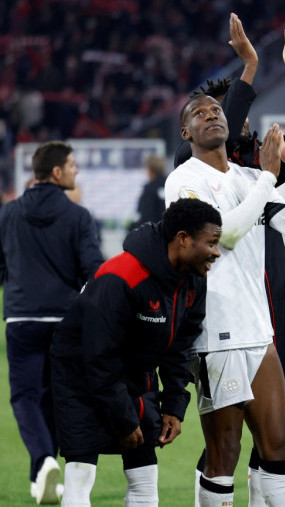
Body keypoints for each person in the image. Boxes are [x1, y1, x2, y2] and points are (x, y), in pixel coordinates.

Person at [173, 11, 285, 505]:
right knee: (226, 453)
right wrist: (267, 176)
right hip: (216, 332)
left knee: (280, 448)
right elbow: (223, 236)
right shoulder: (185, 180)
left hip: (262, 332)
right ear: (185, 134)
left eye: (216, 109)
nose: (212, 114)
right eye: (199, 113)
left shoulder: (243, 177)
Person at [50, 198, 222, 507]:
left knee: (144, 477)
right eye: (211, 242)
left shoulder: (195, 280)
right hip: (80, 377)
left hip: (135, 375)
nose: (217, 252)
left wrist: (172, 405)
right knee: (80, 476)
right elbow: (99, 357)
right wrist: (123, 419)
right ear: (183, 239)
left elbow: (180, 346)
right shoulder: (121, 276)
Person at [0, 140, 104, 504]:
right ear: (57, 172)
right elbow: (94, 271)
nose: (77, 170)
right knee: (57, 397)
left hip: (22, 318)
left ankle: (42, 465)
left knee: (26, 396)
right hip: (64, 320)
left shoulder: (8, 213)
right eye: (73, 164)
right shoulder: (79, 217)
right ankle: (44, 467)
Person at [130, 154, 167, 231]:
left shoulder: (149, 189)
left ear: (150, 170)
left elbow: (145, 215)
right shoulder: (170, 184)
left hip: (153, 234)